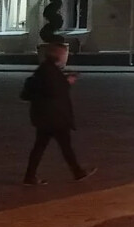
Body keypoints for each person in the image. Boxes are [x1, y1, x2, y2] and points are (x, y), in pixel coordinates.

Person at [21, 45, 95, 185]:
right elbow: (54, 90)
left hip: (46, 117)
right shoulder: (49, 71)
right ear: (59, 55)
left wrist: (64, 80)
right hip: (54, 117)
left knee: (42, 147)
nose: (66, 57)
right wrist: (67, 82)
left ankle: (30, 176)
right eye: (65, 54)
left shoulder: (46, 69)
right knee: (64, 146)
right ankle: (77, 172)